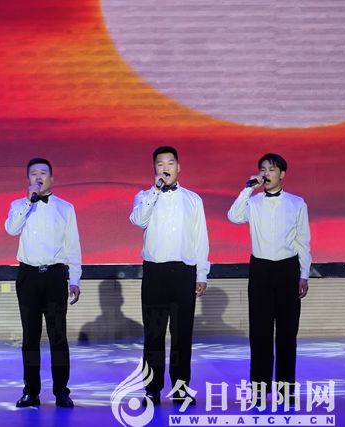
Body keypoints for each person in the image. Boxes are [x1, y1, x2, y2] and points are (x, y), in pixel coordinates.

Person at [129, 146, 209, 406]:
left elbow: (200, 238)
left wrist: (202, 273)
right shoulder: (144, 196)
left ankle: (181, 388)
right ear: (154, 168)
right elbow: (138, 220)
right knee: (153, 334)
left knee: (182, 335)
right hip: (155, 272)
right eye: (160, 164)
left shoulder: (193, 200)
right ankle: (152, 389)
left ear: (179, 167)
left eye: (170, 163)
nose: (166, 168)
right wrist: (155, 191)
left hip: (184, 272)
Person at [227, 153, 310, 403]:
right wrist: (247, 189)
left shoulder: (297, 203)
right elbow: (233, 216)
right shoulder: (253, 203)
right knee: (260, 332)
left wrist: (304, 274)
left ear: (282, 174)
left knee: (287, 332)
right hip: (261, 269)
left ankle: (286, 390)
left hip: (288, 269)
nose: (266, 173)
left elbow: (303, 241)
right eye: (263, 169)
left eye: (271, 169)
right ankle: (260, 391)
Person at [4, 158, 82, 409]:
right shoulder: (18, 205)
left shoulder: (65, 208)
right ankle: (31, 392)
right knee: (30, 336)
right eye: (34, 174)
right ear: (27, 179)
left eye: (43, 173)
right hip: (28, 276)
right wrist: (28, 202)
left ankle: (61, 391)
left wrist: (75, 278)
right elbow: (11, 229)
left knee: (58, 335)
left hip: (55, 275)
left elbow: (73, 245)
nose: (38, 177)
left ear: (52, 178)